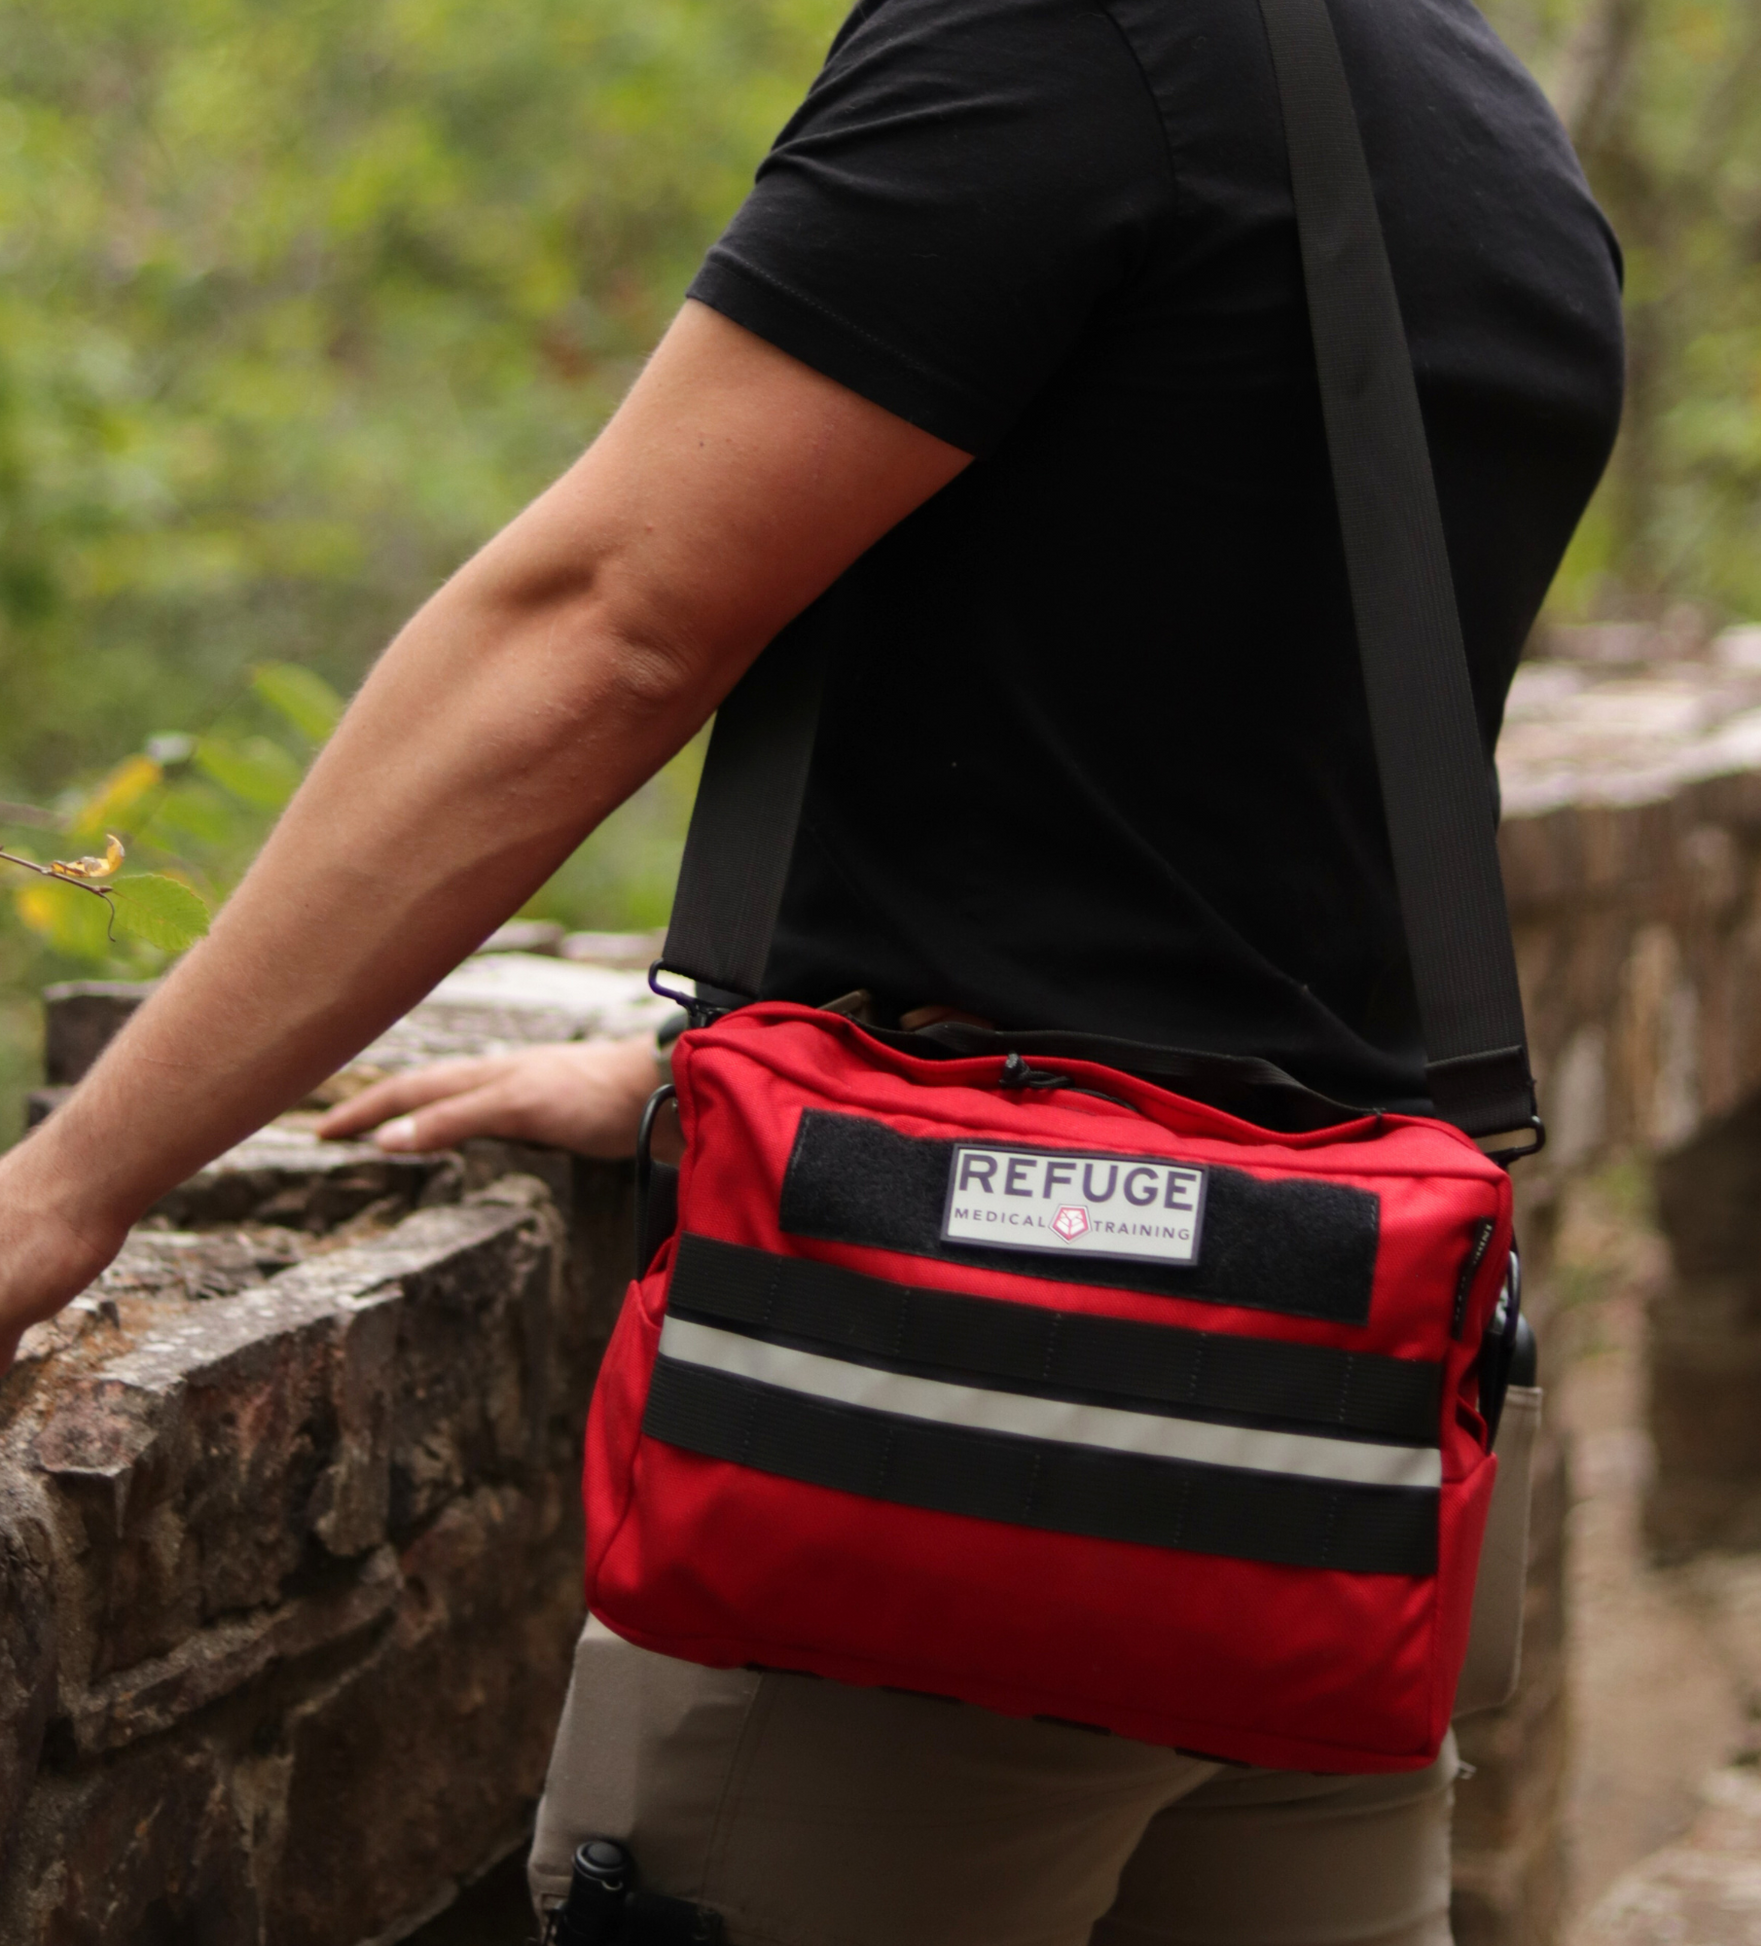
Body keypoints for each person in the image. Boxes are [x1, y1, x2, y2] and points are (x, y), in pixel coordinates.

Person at [0, 0, 1623, 1936]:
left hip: (956, 1453)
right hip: (1320, 1454)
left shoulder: (1066, 39)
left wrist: (68, 1185)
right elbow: (1240, 772)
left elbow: (603, 622)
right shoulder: (1481, 121)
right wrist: (714, 1066)